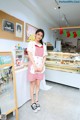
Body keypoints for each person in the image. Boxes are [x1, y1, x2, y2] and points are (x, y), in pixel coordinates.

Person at [27, 29, 47, 112]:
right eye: (38, 34)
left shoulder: (43, 45)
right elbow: (30, 54)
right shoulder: (31, 43)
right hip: (33, 67)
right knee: (32, 84)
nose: (39, 36)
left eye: (41, 35)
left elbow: (45, 56)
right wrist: (35, 65)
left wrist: (42, 65)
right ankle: (32, 102)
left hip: (40, 68)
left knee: (38, 84)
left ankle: (37, 100)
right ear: (35, 34)